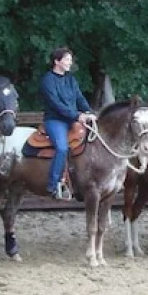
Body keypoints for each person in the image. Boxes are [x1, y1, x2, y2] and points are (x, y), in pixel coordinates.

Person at [40, 46, 95, 199]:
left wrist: (89, 112)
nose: (70, 63)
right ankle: (53, 185)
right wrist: (77, 116)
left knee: (91, 142)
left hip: (72, 119)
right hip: (55, 120)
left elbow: (79, 98)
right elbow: (56, 104)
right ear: (57, 61)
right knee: (62, 148)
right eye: (67, 59)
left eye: (70, 60)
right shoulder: (47, 80)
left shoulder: (71, 79)